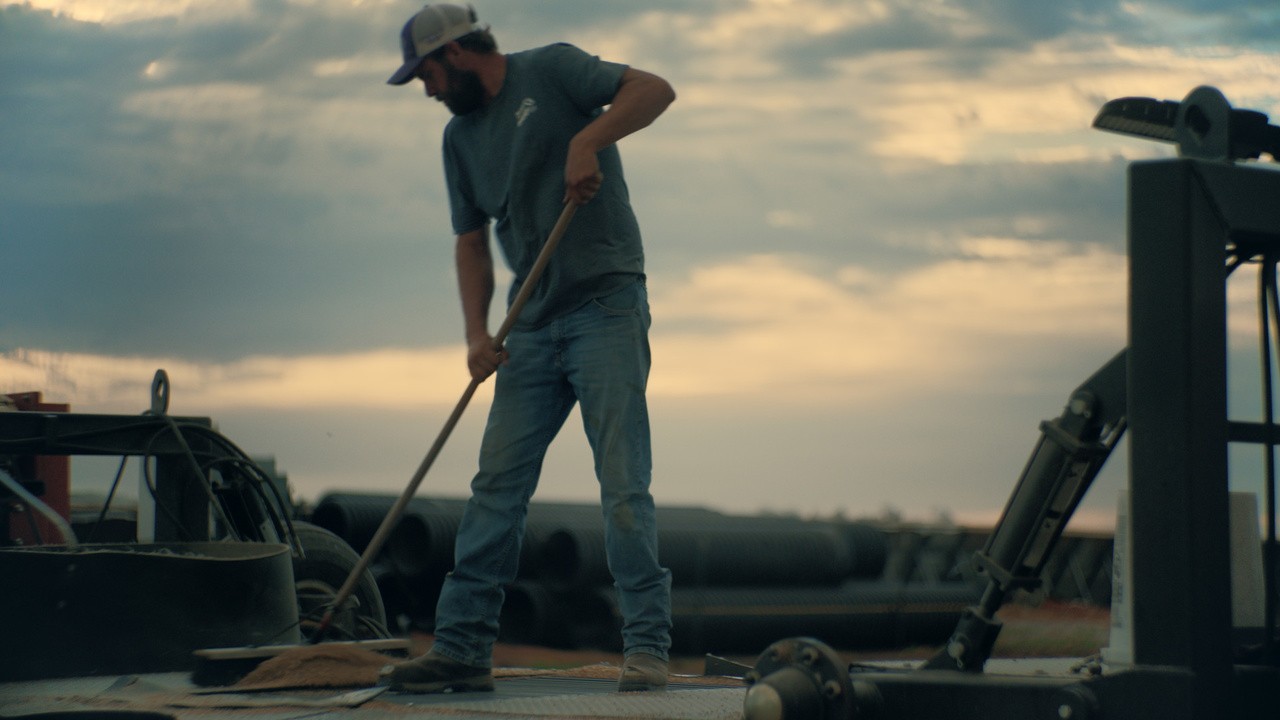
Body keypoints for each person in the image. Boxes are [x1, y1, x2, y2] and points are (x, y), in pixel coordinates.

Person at [380, 3, 676, 694]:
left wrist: (589, 140)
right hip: (531, 327)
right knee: (495, 491)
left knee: (624, 486)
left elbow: (654, 89)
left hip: (607, 305)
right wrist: (477, 337)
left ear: (455, 54)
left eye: (424, 74)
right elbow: (470, 241)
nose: (424, 91)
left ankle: (648, 648)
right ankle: (459, 649)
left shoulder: (553, 69)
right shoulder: (457, 140)